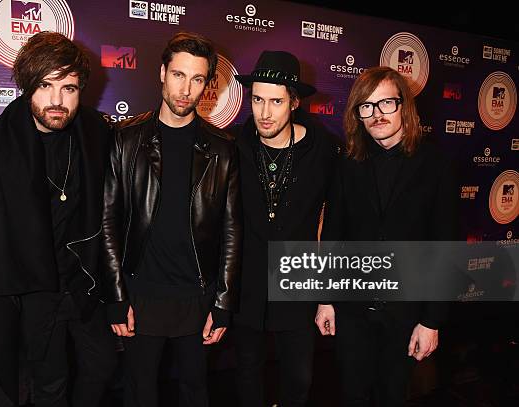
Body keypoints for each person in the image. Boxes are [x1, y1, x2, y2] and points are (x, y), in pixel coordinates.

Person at [0, 32, 117, 406]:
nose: (57, 101)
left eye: (69, 88)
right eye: (46, 86)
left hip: (83, 283)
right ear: (27, 86)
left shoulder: (95, 135)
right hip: (32, 292)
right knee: (49, 385)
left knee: (102, 365)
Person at [101, 31, 242, 407]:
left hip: (196, 295)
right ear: (162, 72)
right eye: (179, 75)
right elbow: (108, 222)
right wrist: (116, 296)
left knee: (196, 391)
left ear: (207, 85)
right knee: (139, 391)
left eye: (197, 79)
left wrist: (223, 304)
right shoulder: (126, 139)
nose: (186, 89)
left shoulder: (222, 149)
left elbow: (231, 230)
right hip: (141, 294)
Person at [316, 66, 459, 406]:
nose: (376, 114)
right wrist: (324, 298)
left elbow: (445, 248)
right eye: (366, 106)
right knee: (352, 395)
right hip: (352, 312)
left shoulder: (438, 165)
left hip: (405, 315)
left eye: (386, 104)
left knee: (393, 396)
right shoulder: (347, 164)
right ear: (357, 115)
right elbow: (334, 233)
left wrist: (431, 321)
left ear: (404, 105)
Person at [231, 50, 339, 407]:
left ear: (294, 102)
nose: (264, 112)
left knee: (299, 378)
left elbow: (330, 223)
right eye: (257, 99)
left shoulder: (322, 149)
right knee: (246, 373)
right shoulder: (235, 145)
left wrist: (325, 295)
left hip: (299, 279)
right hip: (247, 281)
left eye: (276, 101)